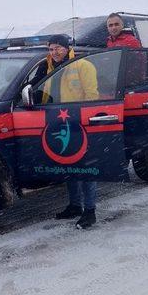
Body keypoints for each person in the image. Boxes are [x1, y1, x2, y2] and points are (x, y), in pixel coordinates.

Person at [29, 35, 99, 229]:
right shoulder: (47, 67)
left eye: (58, 48)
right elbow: (36, 89)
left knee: (85, 169)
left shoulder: (83, 66)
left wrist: (85, 122)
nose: (54, 52)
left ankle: (90, 211)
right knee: (68, 168)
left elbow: (92, 96)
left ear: (67, 48)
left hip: (79, 123)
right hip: (55, 121)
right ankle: (75, 205)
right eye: (51, 49)